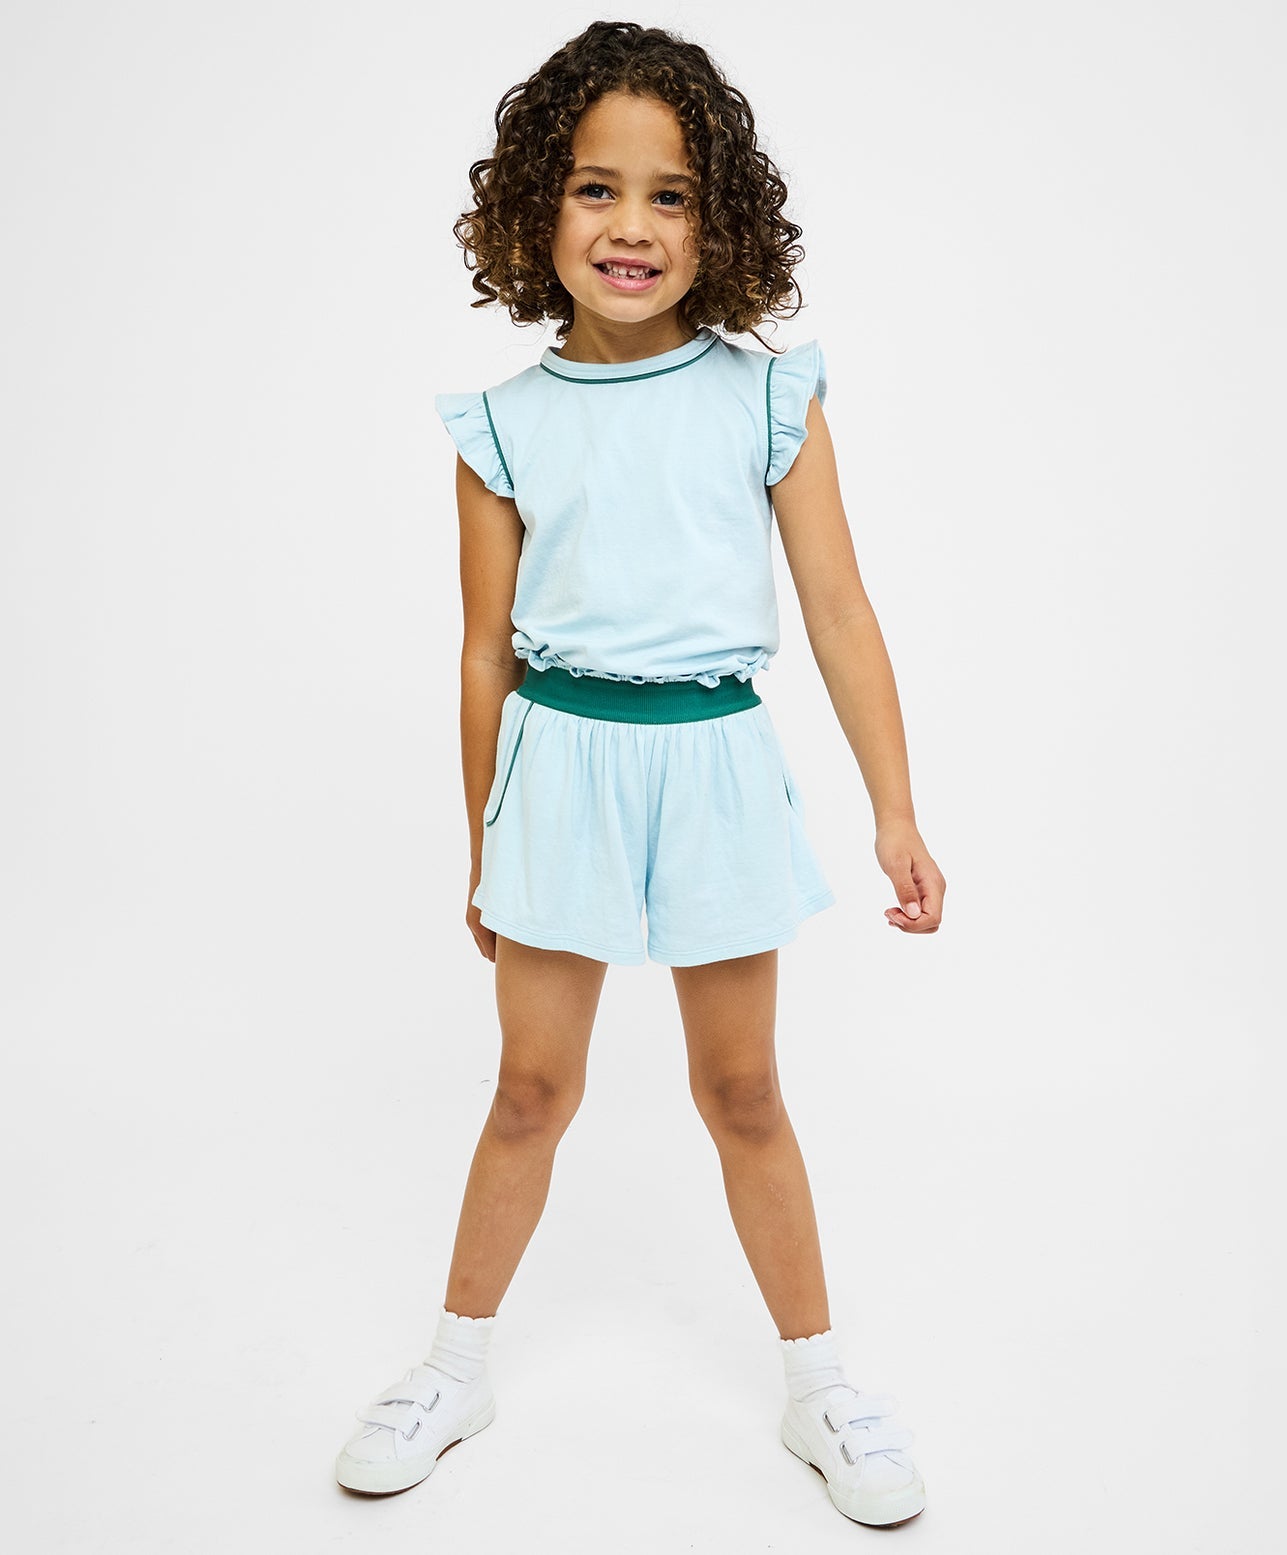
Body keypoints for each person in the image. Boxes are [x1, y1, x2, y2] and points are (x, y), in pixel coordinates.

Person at [334, 18, 945, 1531]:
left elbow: (839, 608)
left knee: (743, 1089)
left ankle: (818, 1385)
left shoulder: (766, 396)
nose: (633, 225)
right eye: (597, 188)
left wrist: (895, 809)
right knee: (530, 1090)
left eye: (671, 195)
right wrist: (484, 842)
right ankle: (454, 1367)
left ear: (716, 219)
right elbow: (484, 651)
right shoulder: (503, 427)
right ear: (536, 206)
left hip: (713, 763)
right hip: (559, 772)